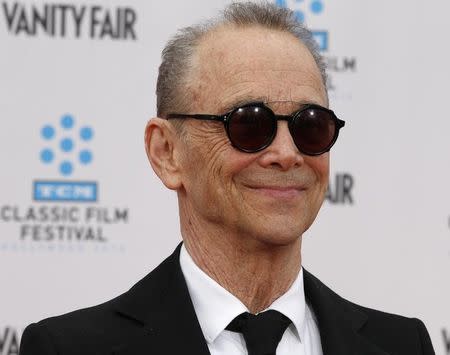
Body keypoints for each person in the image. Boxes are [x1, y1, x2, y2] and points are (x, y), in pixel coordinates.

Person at [20, 2, 435, 354]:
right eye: (249, 125)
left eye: (311, 126)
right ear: (167, 152)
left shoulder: (403, 344)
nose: (287, 154)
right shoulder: (70, 347)